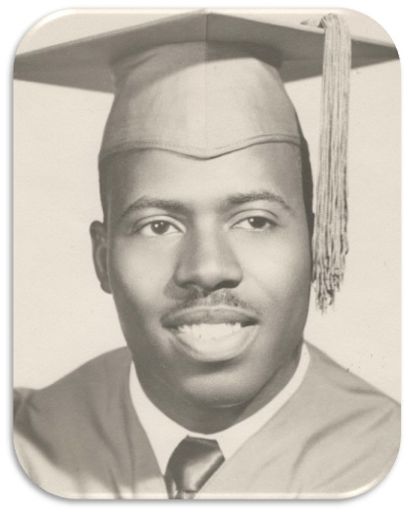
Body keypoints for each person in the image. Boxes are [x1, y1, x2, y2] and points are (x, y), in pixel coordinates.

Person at [13, 10, 400, 500]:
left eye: (255, 221)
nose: (208, 268)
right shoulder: (27, 444)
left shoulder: (387, 459)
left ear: (315, 243)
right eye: (158, 226)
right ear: (102, 258)